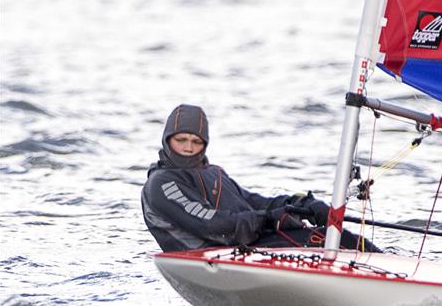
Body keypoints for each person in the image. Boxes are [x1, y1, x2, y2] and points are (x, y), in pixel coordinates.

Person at [141, 104, 377, 253]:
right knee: (320, 239)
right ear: (168, 139)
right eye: (181, 140)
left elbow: (253, 201)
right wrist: (269, 219)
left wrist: (300, 205)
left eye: (196, 142)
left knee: (342, 238)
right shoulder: (161, 183)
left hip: (247, 246)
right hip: (217, 253)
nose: (188, 148)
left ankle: (400, 272)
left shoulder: (212, 172)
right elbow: (210, 224)